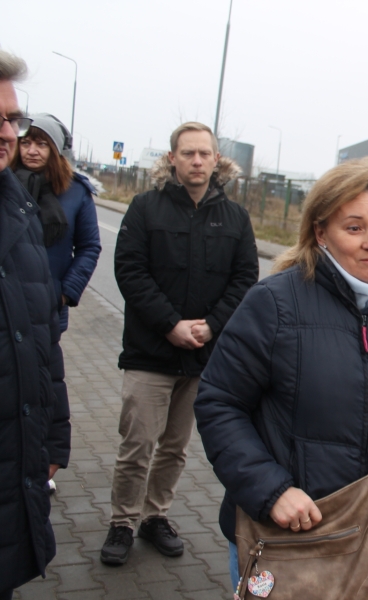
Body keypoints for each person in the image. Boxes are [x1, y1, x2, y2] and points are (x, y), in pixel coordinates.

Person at [193, 156, 368, 589]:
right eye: (354, 227)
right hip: (286, 539)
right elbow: (219, 403)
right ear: (320, 232)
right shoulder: (274, 303)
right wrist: (271, 490)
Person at [100, 122, 259, 566]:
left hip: (202, 358)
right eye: (187, 153)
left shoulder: (235, 218)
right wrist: (170, 324)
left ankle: (155, 516)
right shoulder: (144, 208)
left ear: (216, 159)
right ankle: (122, 521)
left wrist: (212, 326)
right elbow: (130, 271)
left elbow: (245, 278)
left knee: (175, 447)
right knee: (137, 445)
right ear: (172, 158)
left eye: (204, 153)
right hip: (150, 354)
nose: (196, 161)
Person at [0, 41, 70, 599]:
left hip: (11, 461)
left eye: (11, 120)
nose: (5, 132)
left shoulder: (18, 212)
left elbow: (41, 340)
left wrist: (53, 439)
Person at [11, 113, 101, 333]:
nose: (32, 151)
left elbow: (89, 247)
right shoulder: (4, 184)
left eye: (42, 144)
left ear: (55, 150)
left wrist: (64, 293)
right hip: (4, 303)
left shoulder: (76, 192)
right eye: (26, 143)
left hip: (48, 309)